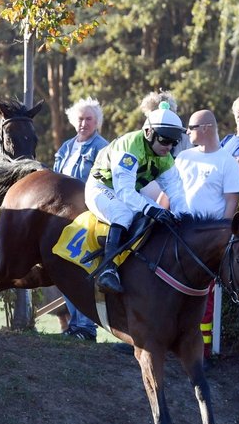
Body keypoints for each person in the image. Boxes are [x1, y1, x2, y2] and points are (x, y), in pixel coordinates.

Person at [165, 109, 239, 362]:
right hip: (179, 235)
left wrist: (223, 236)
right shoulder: (183, 157)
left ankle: (202, 352)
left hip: (207, 244)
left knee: (203, 299)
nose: (187, 132)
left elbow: (232, 201)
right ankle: (163, 342)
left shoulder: (226, 162)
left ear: (207, 128)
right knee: (168, 291)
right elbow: (169, 192)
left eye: (192, 127)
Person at [86, 101, 187, 294]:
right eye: (165, 140)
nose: (170, 146)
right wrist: (152, 209)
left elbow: (177, 192)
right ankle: (108, 269)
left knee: (160, 219)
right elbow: (124, 191)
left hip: (129, 192)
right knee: (123, 214)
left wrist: (183, 218)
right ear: (149, 133)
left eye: (175, 142)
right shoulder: (130, 147)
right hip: (101, 187)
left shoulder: (165, 157)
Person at [53, 97, 110, 340]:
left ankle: (86, 327)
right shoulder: (66, 147)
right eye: (80, 119)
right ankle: (75, 325)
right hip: (61, 217)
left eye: (88, 119)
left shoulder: (102, 148)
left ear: (97, 122)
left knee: (83, 270)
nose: (83, 123)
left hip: (87, 217)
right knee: (64, 269)